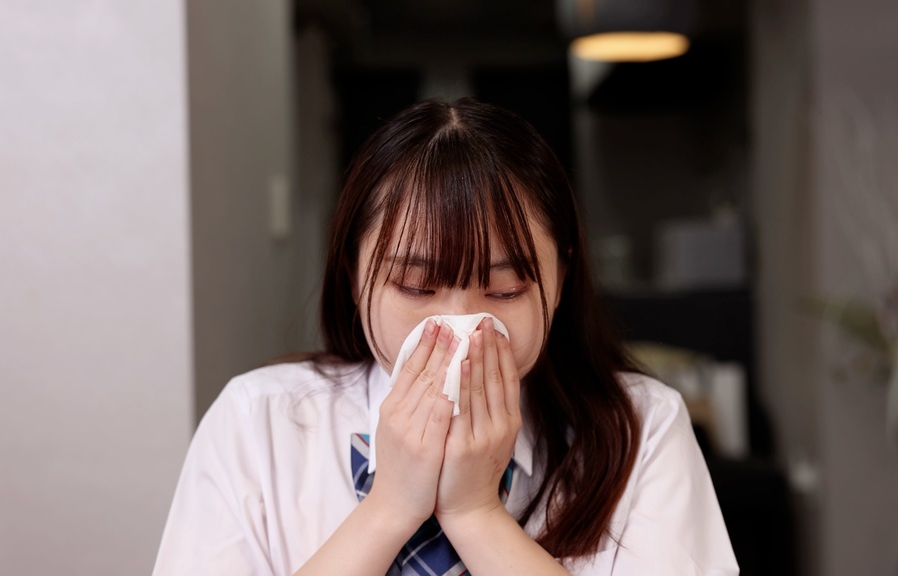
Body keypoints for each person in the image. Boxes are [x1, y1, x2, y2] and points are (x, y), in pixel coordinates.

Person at [152, 98, 739, 575]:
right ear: (355, 278)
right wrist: (390, 508)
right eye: (415, 286)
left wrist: (475, 512)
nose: (461, 328)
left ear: (560, 280)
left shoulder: (639, 427)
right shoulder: (260, 422)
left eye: (504, 290)